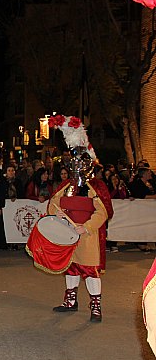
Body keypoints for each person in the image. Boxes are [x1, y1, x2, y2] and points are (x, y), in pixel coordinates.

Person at [44, 115, 113, 322]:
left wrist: (87, 227)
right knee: (71, 267)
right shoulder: (66, 185)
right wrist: (55, 214)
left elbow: (103, 211)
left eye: (81, 161)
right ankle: (71, 301)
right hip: (68, 234)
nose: (77, 164)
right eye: (74, 161)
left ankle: (96, 307)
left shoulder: (96, 187)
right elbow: (53, 203)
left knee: (90, 271)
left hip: (87, 235)